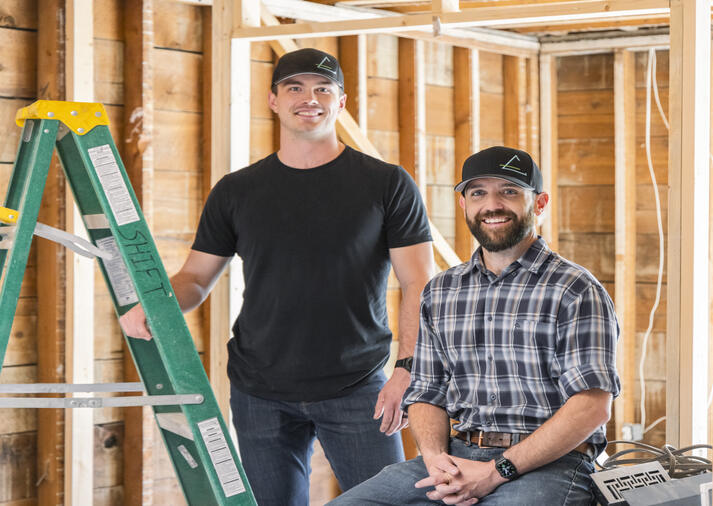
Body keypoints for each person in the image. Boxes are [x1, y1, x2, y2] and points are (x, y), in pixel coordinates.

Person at [118, 48, 434, 506]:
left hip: (357, 384)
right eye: (295, 87)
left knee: (391, 502)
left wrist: (407, 368)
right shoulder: (237, 190)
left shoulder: (386, 183)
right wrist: (157, 305)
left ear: (341, 102)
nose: (310, 98)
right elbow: (195, 278)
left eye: (323, 88)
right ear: (273, 100)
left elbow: (419, 282)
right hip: (258, 390)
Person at [329, 146, 620, 506]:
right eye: (478, 193)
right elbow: (426, 393)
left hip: (550, 464)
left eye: (509, 191)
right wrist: (437, 461)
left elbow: (591, 407)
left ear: (540, 204)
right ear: (464, 205)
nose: (492, 204)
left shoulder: (575, 289)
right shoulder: (442, 291)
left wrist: (496, 472)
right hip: (457, 456)